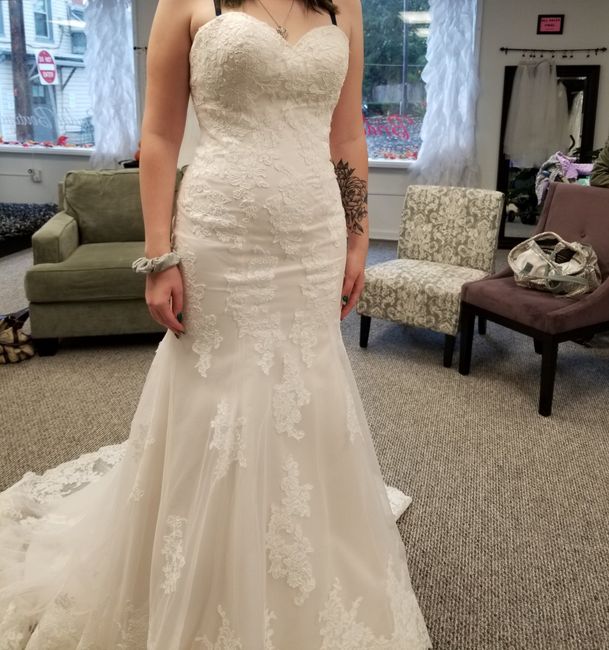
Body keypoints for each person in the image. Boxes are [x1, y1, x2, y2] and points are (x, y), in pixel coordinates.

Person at [0, 0, 432, 646]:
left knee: (307, 386)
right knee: (217, 391)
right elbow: (159, 136)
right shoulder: (186, 2)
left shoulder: (344, 4)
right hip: (221, 235)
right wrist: (159, 255)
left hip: (313, 236)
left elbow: (346, 136)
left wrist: (357, 237)